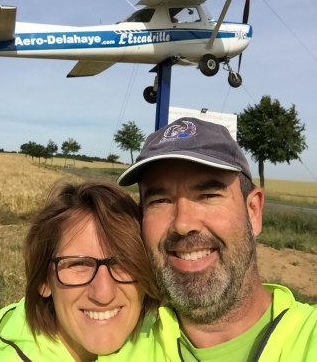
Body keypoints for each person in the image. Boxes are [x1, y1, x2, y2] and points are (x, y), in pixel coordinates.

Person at [113, 117, 317, 361]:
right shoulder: (119, 345)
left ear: (253, 211)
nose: (183, 223)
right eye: (160, 201)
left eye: (208, 195)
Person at [0, 180, 159, 362]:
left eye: (123, 261)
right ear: (44, 281)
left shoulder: (162, 334)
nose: (103, 294)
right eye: (78, 265)